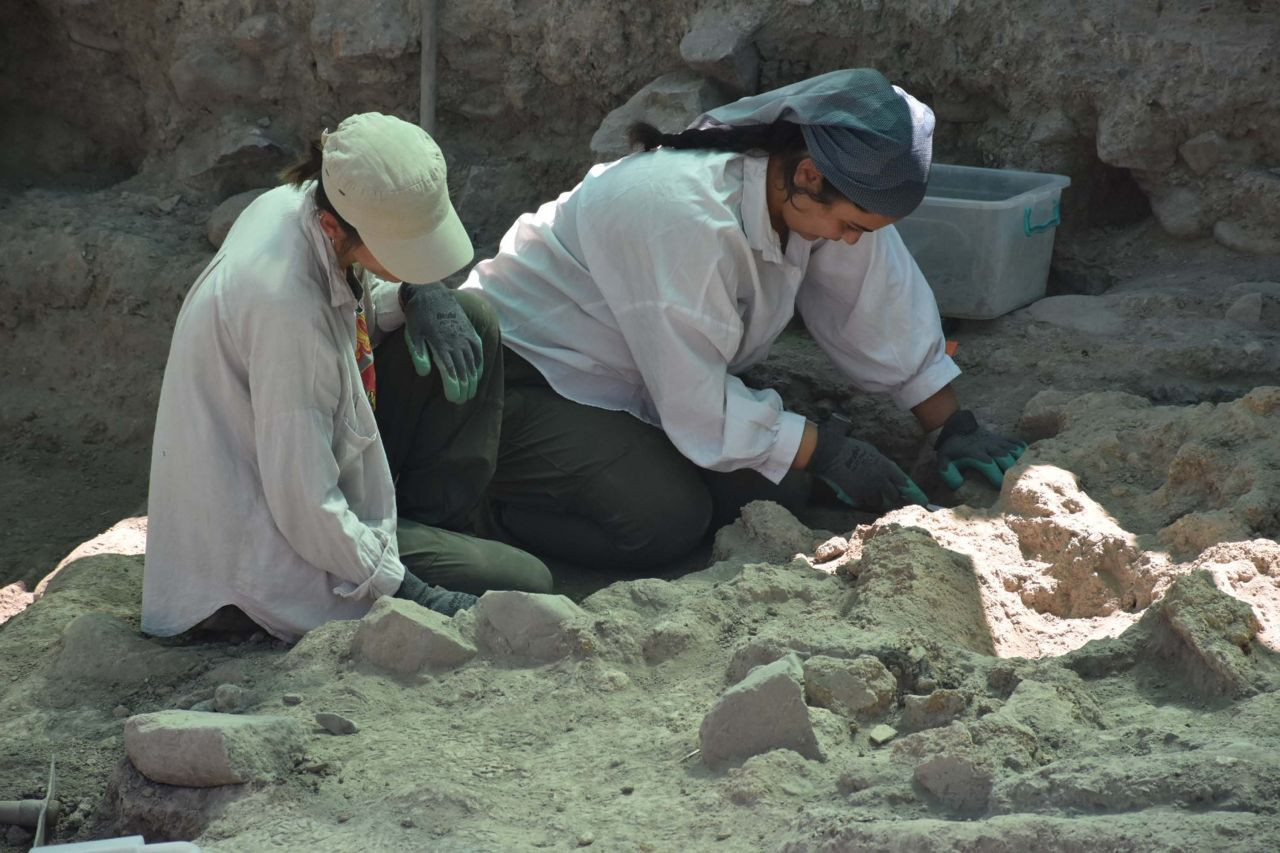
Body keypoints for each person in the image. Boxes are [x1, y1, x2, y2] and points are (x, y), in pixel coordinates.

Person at [462, 69, 1025, 572]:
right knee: (664, 521)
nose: (853, 239)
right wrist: (829, 450)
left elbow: (878, 304)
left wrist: (953, 426)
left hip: (646, 370)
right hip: (528, 375)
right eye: (851, 225)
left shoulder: (820, 189)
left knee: (772, 493)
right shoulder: (684, 218)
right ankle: (478, 511)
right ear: (807, 175)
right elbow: (697, 407)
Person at [144, 113, 550, 643]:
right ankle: (418, 550)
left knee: (468, 317)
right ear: (338, 228)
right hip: (265, 550)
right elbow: (305, 503)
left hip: (302, 477)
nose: (411, 263)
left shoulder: (304, 205)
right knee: (527, 581)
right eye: (402, 252)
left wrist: (412, 292)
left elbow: (350, 308)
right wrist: (407, 590)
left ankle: (436, 531)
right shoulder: (285, 312)